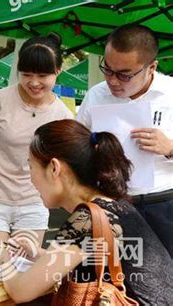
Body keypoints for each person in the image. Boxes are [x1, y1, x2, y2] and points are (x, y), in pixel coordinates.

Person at [0, 119, 172, 305]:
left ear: (54, 168)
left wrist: (1, 258)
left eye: (31, 167)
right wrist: (38, 254)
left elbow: (20, 291)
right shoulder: (115, 204)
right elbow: (79, 255)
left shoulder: (87, 219)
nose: (31, 178)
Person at [76, 24, 173, 257]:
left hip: (163, 205)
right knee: (116, 280)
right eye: (107, 69)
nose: (113, 80)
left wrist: (169, 147)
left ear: (151, 67)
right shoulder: (96, 95)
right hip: (112, 203)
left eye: (124, 74)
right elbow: (77, 144)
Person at [0, 33, 73, 248]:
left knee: (24, 269)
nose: (34, 82)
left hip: (34, 202)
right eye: (26, 74)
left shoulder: (63, 115)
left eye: (43, 76)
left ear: (57, 72)